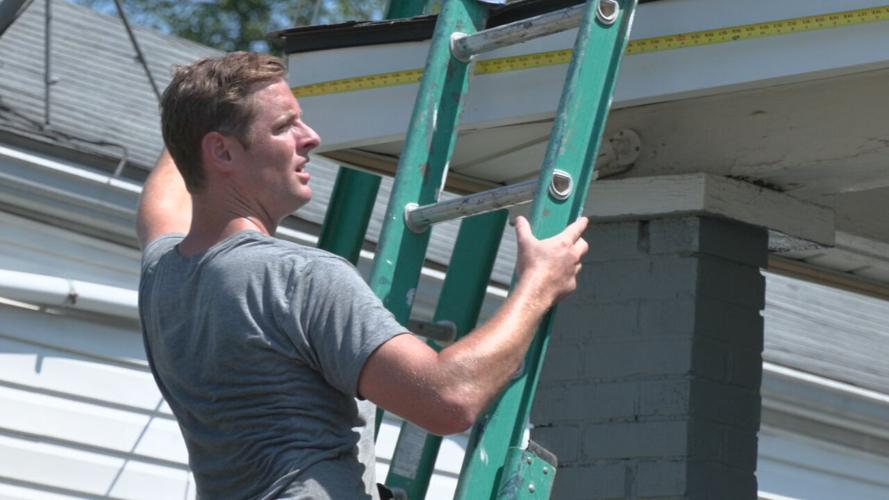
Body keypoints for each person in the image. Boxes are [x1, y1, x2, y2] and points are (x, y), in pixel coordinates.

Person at [137, 51, 589, 499]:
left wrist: (191, 109)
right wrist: (539, 285)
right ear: (221, 150)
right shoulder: (298, 279)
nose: (310, 138)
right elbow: (450, 399)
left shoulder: (164, 275)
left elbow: (160, 204)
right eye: (283, 127)